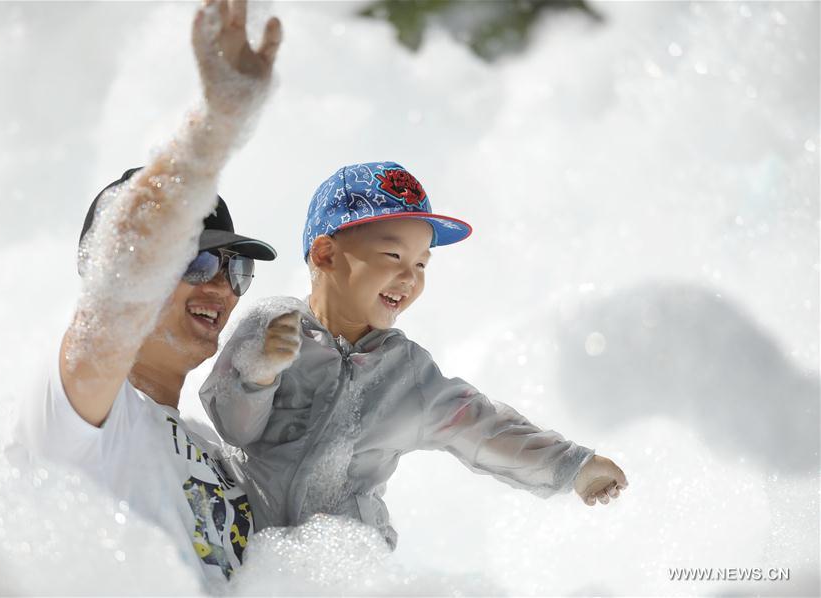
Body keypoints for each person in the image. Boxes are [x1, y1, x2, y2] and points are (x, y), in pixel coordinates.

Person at [199, 161, 629, 549]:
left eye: (422, 264)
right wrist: (260, 375)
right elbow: (234, 429)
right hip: (249, 549)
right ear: (326, 254)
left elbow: (484, 428)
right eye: (393, 256)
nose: (409, 278)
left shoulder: (407, 373)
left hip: (346, 564)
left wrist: (573, 466)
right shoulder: (274, 325)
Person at [14, 0, 282, 588]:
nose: (219, 285)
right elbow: (118, 291)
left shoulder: (218, 450)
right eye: (196, 259)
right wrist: (216, 127)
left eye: (236, 269)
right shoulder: (79, 414)